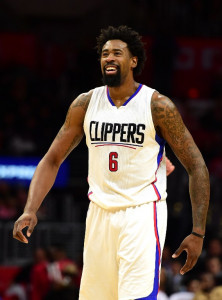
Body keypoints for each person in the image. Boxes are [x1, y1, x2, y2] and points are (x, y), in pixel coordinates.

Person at [13, 25, 210, 300]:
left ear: (133, 60)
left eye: (117, 52)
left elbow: (197, 166)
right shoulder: (85, 104)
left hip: (141, 213)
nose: (109, 58)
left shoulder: (157, 106)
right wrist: (30, 209)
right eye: (105, 53)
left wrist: (198, 232)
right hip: (99, 212)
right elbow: (52, 159)